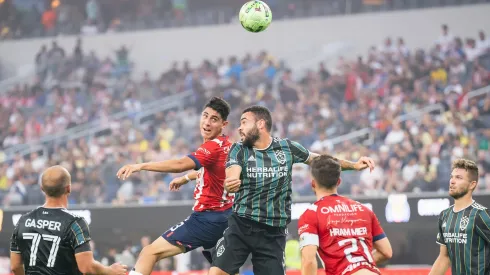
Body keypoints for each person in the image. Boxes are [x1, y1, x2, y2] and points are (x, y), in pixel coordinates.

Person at [209, 105, 376, 275]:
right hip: (242, 225)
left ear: (260, 124)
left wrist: (354, 165)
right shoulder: (238, 149)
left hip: (273, 232)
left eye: (244, 122)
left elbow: (320, 160)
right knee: (217, 273)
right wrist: (232, 181)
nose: (239, 127)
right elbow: (232, 172)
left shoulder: (286, 148)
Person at [117, 97, 237, 275]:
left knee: (149, 252)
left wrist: (140, 166)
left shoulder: (212, 147)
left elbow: (180, 164)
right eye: (205, 116)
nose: (207, 122)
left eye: (214, 119)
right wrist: (187, 178)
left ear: (223, 124)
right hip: (226, 217)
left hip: (206, 220)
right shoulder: (228, 146)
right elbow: (216, 174)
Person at [9, 165, 128, 275]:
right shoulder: (75, 223)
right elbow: (86, 267)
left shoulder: (23, 221)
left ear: (42, 189)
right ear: (69, 188)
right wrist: (110, 270)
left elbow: (15, 266)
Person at [297, 155, 392, 275]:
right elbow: (386, 252)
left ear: (313, 184)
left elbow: (309, 261)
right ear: (339, 182)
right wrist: (360, 264)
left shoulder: (311, 214)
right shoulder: (363, 209)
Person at [429, 158, 490, 275]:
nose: (452, 181)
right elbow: (444, 258)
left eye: (459, 178)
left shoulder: (481, 214)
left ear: (472, 185)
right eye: (452, 176)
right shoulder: (445, 215)